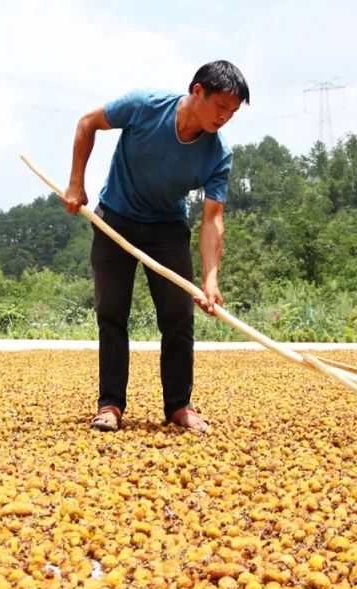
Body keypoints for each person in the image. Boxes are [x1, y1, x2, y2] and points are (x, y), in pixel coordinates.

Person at [61, 60, 249, 433]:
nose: (225, 118)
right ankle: (110, 404)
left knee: (179, 316)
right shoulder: (145, 105)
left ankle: (179, 405)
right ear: (198, 91)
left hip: (166, 228)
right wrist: (75, 183)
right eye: (221, 107)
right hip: (115, 218)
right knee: (112, 313)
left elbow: (212, 219)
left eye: (232, 112)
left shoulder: (217, 154)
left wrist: (211, 278)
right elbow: (87, 124)